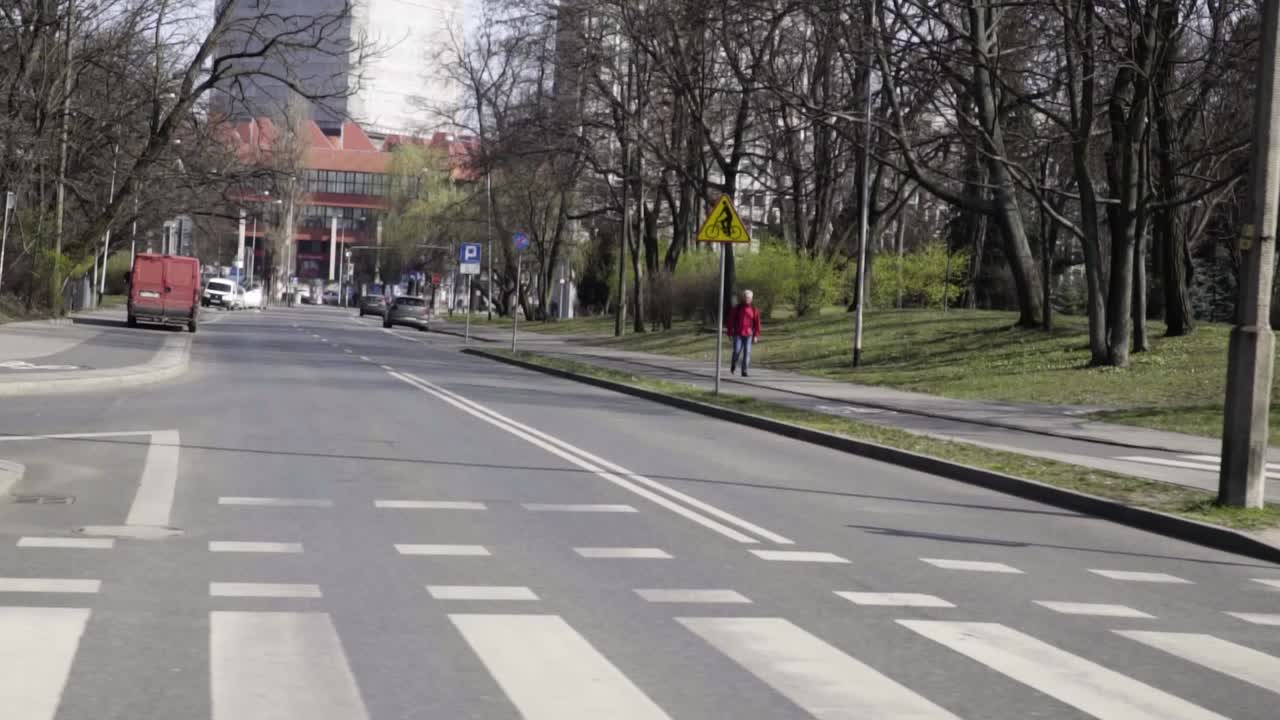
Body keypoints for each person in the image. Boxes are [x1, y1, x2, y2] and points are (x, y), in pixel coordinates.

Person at [726, 289, 761, 376]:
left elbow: (757, 323)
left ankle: (744, 370)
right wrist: (729, 333)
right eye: (745, 297)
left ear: (751, 299)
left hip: (748, 335)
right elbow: (730, 321)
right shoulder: (737, 308)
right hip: (738, 334)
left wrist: (756, 335)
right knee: (736, 351)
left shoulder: (754, 310)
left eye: (749, 298)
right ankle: (733, 364)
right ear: (742, 298)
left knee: (747, 352)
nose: (747, 299)